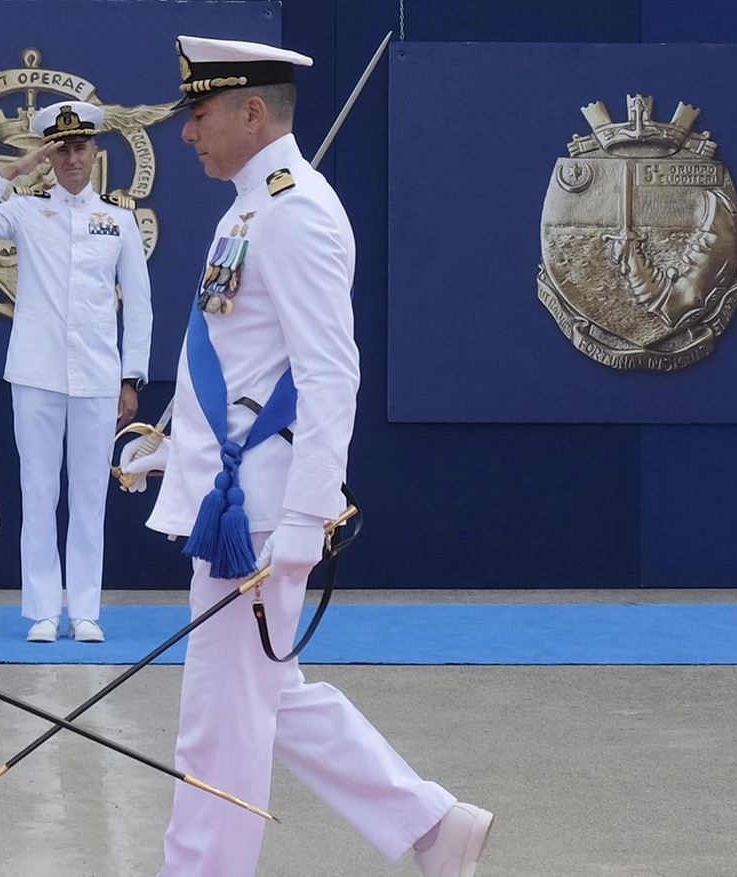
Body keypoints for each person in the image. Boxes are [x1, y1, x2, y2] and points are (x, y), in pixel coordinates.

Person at [120, 35, 494, 877]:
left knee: (219, 725)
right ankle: (434, 827)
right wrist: (174, 445)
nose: (186, 131)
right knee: (268, 699)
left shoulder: (296, 210)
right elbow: (245, 365)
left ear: (253, 111)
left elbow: (331, 373)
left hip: (256, 519)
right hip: (234, 496)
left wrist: (303, 518)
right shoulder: (250, 206)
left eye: (201, 112)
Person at [0, 101, 152, 643]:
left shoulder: (119, 220)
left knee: (89, 495)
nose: (71, 157)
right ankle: (43, 608)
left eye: (80, 147)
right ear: (49, 153)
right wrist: (15, 170)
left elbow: (139, 304)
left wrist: (131, 377)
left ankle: (85, 609)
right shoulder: (23, 209)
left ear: (95, 153)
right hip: (36, 372)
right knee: (39, 491)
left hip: (97, 376)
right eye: (60, 148)